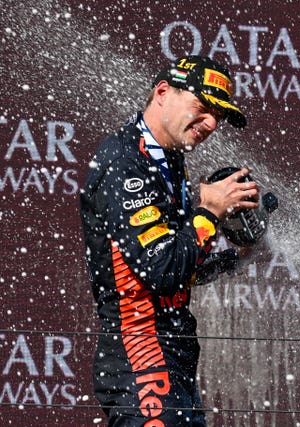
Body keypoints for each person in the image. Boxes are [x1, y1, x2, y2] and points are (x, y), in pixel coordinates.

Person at [80, 55, 259, 426]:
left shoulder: (170, 160)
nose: (211, 123)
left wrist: (236, 256)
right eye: (203, 106)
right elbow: (159, 269)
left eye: (219, 116)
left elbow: (179, 268)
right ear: (163, 92)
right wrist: (208, 213)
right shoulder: (126, 160)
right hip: (140, 353)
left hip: (172, 356)